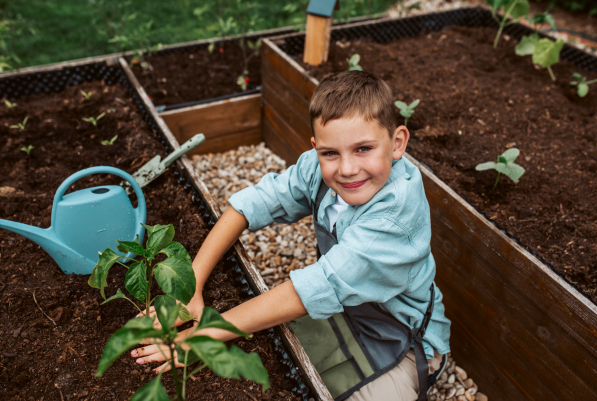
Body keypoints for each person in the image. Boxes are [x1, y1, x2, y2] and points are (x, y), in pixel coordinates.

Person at [130, 70, 451, 401]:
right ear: (315, 148)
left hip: (403, 340)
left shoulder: (393, 216)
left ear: (397, 143)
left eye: (363, 149)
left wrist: (203, 338)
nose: (347, 168)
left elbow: (311, 289)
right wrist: (191, 285)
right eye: (330, 153)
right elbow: (249, 205)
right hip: (347, 309)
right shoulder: (317, 167)